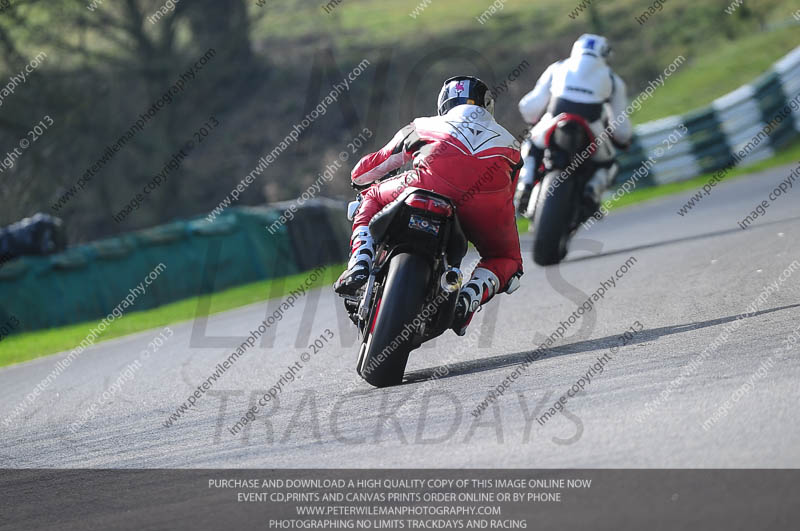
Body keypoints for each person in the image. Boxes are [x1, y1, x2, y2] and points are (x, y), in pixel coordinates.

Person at [334, 76, 523, 335]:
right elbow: (509, 195)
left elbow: (371, 167)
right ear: (486, 105)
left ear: (443, 104)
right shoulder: (511, 143)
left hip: (429, 184)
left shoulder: (423, 124)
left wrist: (358, 180)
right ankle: (469, 297)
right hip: (486, 204)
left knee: (372, 196)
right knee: (506, 258)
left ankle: (360, 261)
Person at [515, 34, 632, 214]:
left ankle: (526, 183)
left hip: (554, 120)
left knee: (530, 144)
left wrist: (533, 121)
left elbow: (529, 106)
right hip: (592, 127)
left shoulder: (557, 67)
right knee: (609, 163)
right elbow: (621, 129)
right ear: (605, 55)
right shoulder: (613, 80)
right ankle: (592, 191)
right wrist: (622, 141)